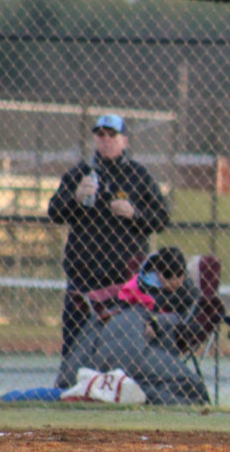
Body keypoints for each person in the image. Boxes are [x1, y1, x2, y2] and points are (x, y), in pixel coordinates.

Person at [47, 114, 170, 387]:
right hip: (84, 277)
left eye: (111, 135)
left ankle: (119, 391)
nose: (105, 140)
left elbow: (162, 217)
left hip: (122, 282)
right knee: (76, 341)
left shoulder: (137, 176)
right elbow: (55, 211)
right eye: (100, 134)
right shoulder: (80, 173)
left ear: (124, 140)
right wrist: (76, 198)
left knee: (120, 342)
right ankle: (72, 392)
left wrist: (135, 213)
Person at [57, 246, 210, 405]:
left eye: (179, 276)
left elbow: (189, 321)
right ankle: (123, 391)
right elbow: (125, 307)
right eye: (168, 277)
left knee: (190, 387)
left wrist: (157, 323)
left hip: (149, 343)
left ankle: (119, 390)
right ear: (157, 274)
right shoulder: (137, 287)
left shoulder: (188, 294)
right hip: (128, 335)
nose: (175, 282)